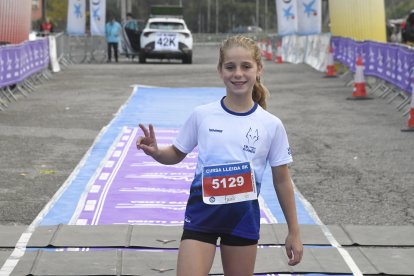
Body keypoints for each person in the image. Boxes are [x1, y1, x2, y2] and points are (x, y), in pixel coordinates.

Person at [136, 35, 303, 275]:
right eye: (230, 67)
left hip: (242, 221)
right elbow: (175, 153)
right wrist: (156, 152)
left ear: (258, 69)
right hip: (201, 217)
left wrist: (294, 232)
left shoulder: (271, 125)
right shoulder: (202, 115)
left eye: (246, 66)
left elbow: (282, 180)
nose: (238, 74)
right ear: (220, 70)